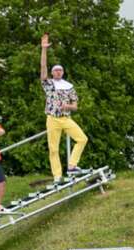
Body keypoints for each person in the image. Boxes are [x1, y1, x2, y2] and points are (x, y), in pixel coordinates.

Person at [40, 33, 88, 183]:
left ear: (63, 72)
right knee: (53, 149)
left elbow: (75, 106)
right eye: (55, 70)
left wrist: (67, 105)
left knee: (82, 139)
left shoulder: (69, 86)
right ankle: (57, 176)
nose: (57, 72)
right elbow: (42, 67)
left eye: (60, 70)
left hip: (66, 118)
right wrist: (44, 50)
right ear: (52, 73)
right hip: (52, 119)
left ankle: (72, 165)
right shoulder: (49, 84)